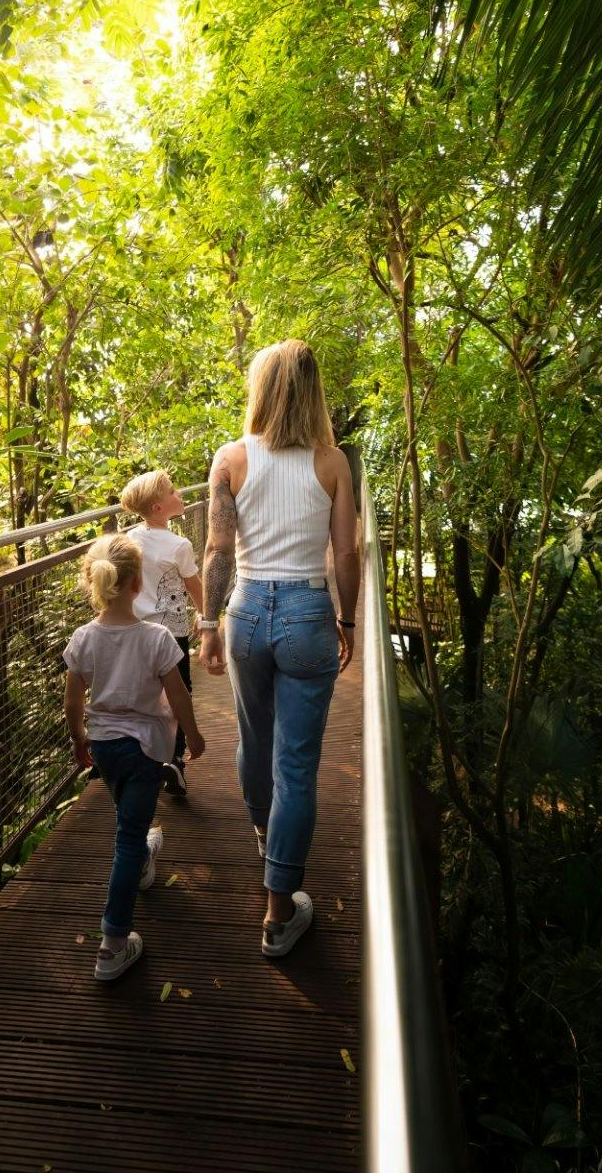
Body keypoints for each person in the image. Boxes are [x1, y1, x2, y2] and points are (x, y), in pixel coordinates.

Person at [198, 339, 359, 959]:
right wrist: (347, 619)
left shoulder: (231, 458)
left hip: (243, 612)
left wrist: (208, 623)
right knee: (295, 764)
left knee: (252, 741)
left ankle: (267, 838)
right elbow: (345, 553)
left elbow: (216, 551)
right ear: (314, 391)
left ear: (260, 389)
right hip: (307, 613)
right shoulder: (332, 462)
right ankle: (278, 909)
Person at [64, 534, 208, 981]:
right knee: (127, 837)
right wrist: (194, 734)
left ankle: (144, 859)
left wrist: (78, 738)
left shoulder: (84, 638)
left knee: (129, 816)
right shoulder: (157, 638)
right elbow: (178, 695)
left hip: (105, 747)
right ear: (137, 584)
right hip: (147, 748)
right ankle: (112, 943)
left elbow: (72, 699)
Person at [120, 469, 205, 798]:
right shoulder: (179, 545)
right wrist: (207, 616)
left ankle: (141, 757)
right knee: (178, 693)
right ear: (158, 507)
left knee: (145, 695)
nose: (179, 494)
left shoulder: (130, 539)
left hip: (137, 631)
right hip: (171, 633)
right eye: (172, 491)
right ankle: (174, 762)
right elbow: (194, 586)